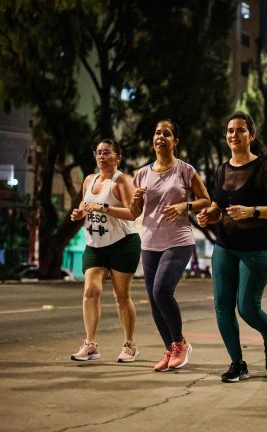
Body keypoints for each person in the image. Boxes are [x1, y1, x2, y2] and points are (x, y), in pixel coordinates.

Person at [196, 111, 267, 383]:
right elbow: (216, 207)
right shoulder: (222, 169)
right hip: (225, 246)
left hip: (256, 248)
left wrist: (253, 212)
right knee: (222, 307)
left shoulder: (264, 169)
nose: (234, 135)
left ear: (252, 135)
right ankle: (237, 363)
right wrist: (207, 216)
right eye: (230, 131)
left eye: (240, 130)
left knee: (247, 308)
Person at [131, 119, 211, 372]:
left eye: (166, 134)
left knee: (161, 292)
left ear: (175, 141)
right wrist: (135, 200)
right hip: (150, 242)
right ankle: (170, 349)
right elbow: (135, 212)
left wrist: (184, 206)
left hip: (178, 240)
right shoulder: (142, 174)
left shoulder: (185, 170)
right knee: (154, 301)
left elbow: (206, 200)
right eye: (157, 133)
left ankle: (181, 343)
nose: (160, 137)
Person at [70, 138, 141, 362]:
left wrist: (104, 207)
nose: (102, 156)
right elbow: (84, 203)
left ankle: (130, 345)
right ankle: (90, 345)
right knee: (91, 290)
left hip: (123, 243)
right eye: (99, 152)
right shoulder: (89, 180)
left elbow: (132, 213)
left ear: (118, 157)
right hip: (95, 244)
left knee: (121, 296)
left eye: (107, 152)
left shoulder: (122, 181)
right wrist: (79, 213)